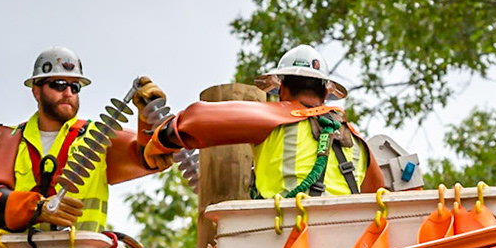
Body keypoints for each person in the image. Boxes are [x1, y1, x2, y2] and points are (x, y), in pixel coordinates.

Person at [0, 46, 167, 232]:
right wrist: (37, 208)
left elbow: (150, 155)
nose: (68, 93)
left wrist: (149, 118)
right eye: (59, 85)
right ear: (36, 91)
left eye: (75, 87)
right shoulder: (8, 140)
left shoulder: (98, 137)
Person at [142, 44, 383, 196]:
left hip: (285, 240)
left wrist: (162, 139)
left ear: (282, 88)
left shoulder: (276, 117)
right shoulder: (356, 141)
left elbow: (196, 120)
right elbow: (380, 197)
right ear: (326, 91)